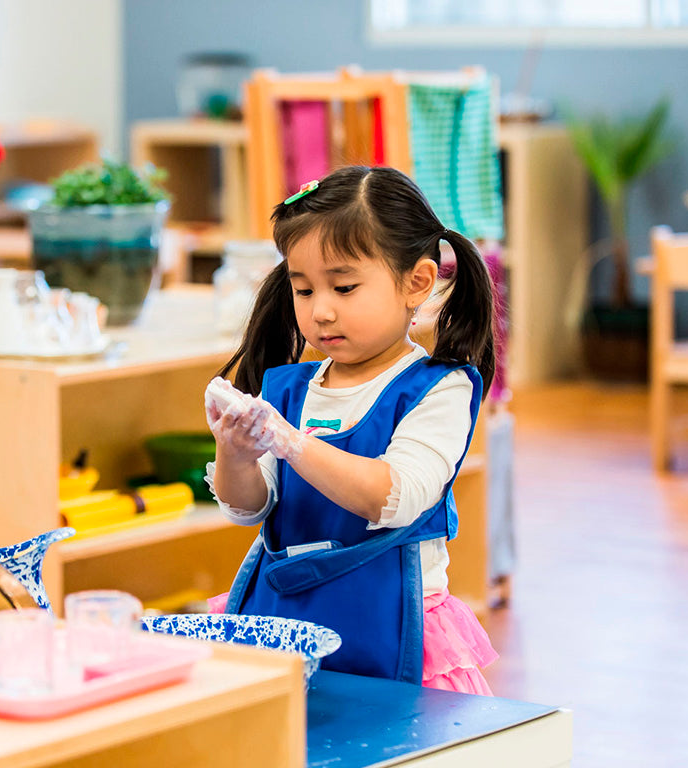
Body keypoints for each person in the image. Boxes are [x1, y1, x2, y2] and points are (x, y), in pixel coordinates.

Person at [205, 165, 498, 695]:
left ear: (418, 282)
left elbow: (394, 497)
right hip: (283, 624)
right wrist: (236, 454)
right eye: (302, 289)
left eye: (343, 287)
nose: (320, 311)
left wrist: (291, 442)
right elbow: (246, 507)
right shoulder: (287, 390)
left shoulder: (439, 388)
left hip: (393, 629)